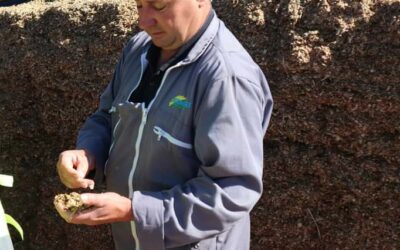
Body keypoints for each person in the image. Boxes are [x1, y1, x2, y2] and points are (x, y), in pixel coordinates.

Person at [56, 0, 273, 249]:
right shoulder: (138, 49)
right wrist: (88, 152)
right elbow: (107, 116)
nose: (143, 21)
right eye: (139, 6)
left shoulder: (226, 77)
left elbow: (231, 192)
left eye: (159, 6)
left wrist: (134, 211)